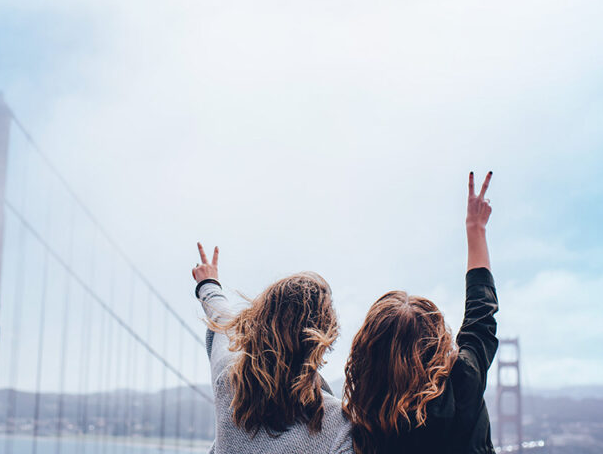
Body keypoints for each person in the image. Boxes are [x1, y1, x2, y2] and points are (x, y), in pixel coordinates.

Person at [343, 171, 499, 454]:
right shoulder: (463, 381)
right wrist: (476, 228)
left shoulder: (364, 421)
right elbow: (481, 316)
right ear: (437, 342)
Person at [192, 243, 354, 454]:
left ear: (258, 322)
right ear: (325, 338)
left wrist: (208, 283)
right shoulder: (340, 427)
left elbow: (221, 318)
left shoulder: (228, 380)